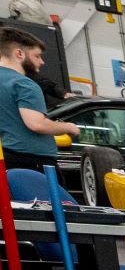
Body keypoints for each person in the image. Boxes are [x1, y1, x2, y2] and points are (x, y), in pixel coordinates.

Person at [0, 27, 78, 173]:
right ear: (19, 53)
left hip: (5, 158)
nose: (41, 62)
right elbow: (36, 124)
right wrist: (68, 127)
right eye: (37, 56)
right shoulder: (24, 84)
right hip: (32, 162)